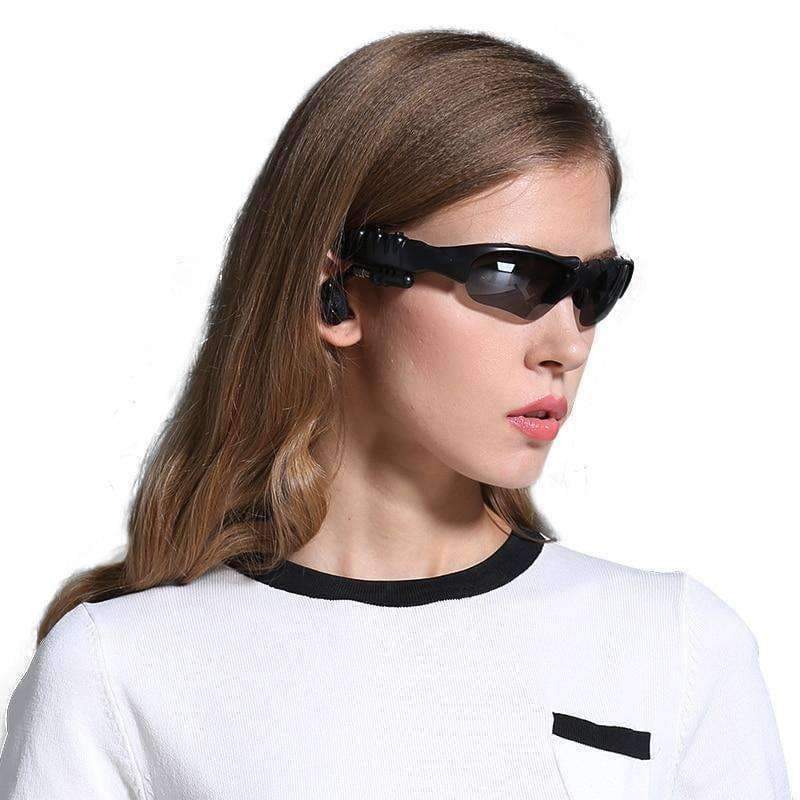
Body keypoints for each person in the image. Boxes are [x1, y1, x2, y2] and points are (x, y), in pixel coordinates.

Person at [0, 28, 792, 800]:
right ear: (336, 293)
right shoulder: (118, 674)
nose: (568, 344)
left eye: (594, 288)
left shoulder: (677, 648)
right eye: (509, 276)